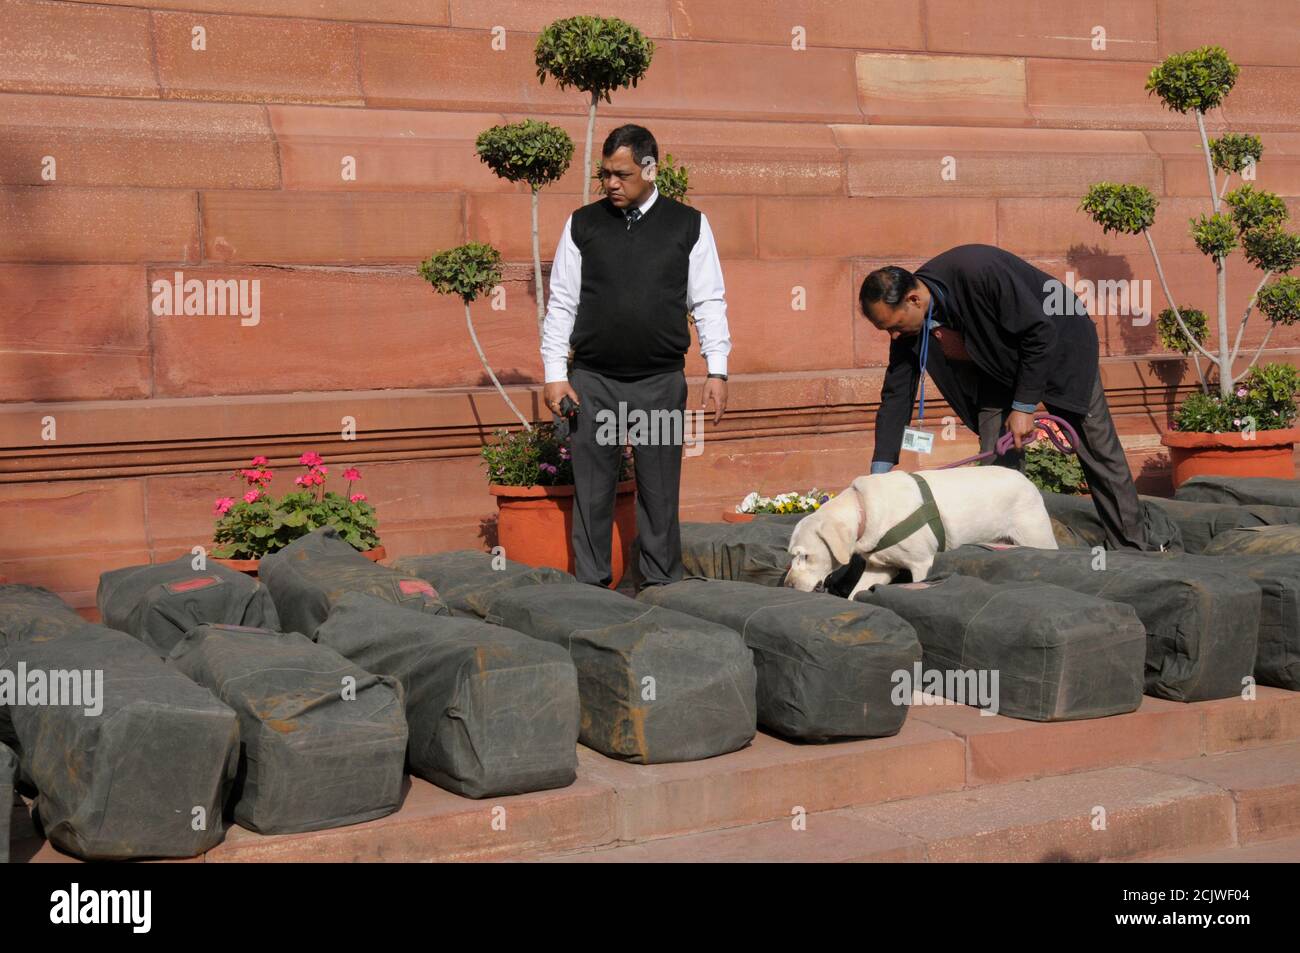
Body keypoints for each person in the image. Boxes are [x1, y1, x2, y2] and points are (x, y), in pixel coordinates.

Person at [859, 243, 1169, 551]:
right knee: (996, 461)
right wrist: (879, 472)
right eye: (887, 330)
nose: (895, 336)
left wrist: (1023, 406)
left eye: (895, 326)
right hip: (996, 363)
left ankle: (1131, 546)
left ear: (913, 299)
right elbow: (897, 393)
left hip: (1061, 344)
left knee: (1097, 448)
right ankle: (1008, 553)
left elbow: (1040, 332)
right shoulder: (907, 325)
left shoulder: (979, 271)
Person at [540, 124, 732, 588]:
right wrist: (553, 373)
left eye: (621, 174)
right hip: (593, 384)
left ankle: (663, 587)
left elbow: (708, 301)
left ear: (650, 168)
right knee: (592, 493)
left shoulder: (689, 225)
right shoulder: (582, 224)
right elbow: (562, 301)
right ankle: (591, 588)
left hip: (659, 383)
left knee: (660, 493)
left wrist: (717, 369)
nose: (610, 184)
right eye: (604, 174)